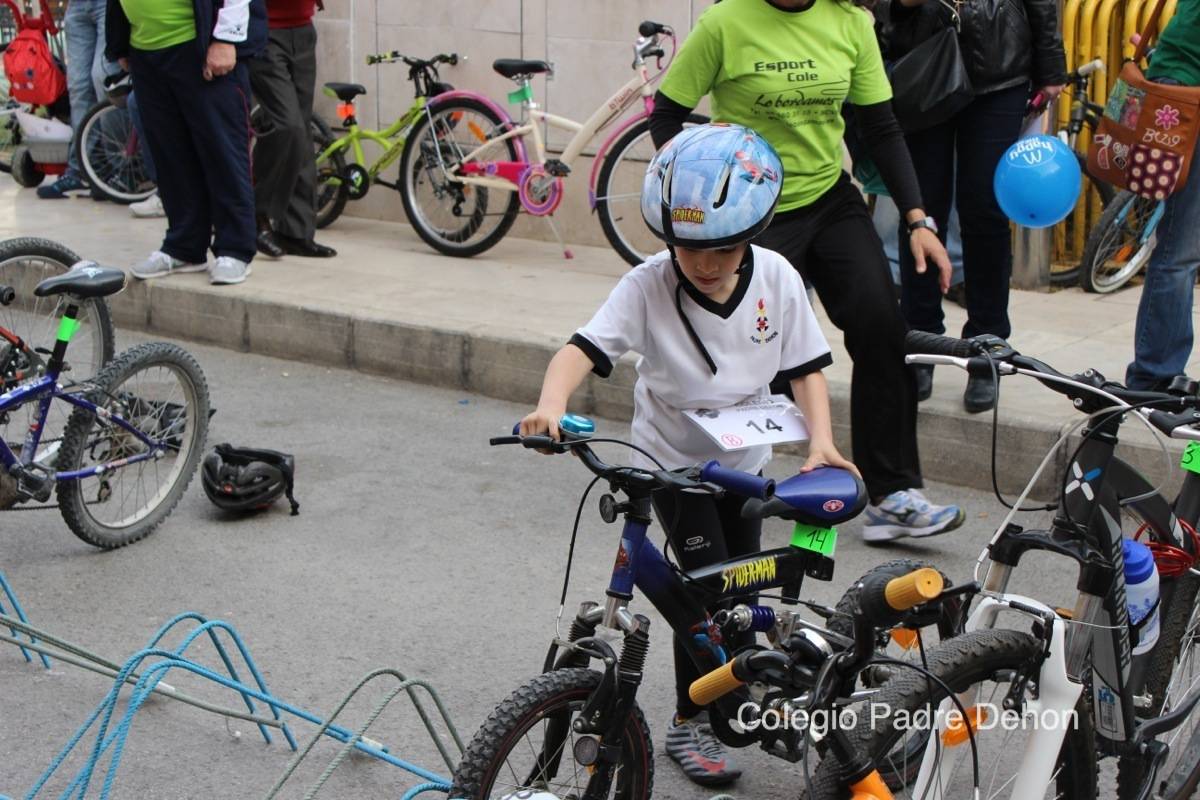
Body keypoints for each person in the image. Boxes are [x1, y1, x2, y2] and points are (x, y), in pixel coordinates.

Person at [521, 124, 856, 789]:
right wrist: (550, 404)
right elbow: (582, 349)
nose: (702, 263)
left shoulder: (779, 279)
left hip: (747, 464)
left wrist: (820, 441)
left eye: (721, 249)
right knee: (700, 589)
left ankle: (749, 684)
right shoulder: (648, 285)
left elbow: (808, 369)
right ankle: (690, 721)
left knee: (744, 592)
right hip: (670, 465)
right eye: (686, 248)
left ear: (752, 232)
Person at [649, 0, 965, 560]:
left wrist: (917, 219)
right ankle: (732, 476)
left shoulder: (848, 23)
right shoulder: (727, 23)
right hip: (749, 212)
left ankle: (892, 493)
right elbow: (667, 114)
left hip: (827, 197)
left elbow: (881, 126)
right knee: (752, 346)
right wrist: (701, 196)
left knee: (879, 323)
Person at [879, 0, 1066, 411]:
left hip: (1000, 63)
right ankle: (921, 339)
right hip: (922, 55)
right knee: (921, 214)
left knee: (986, 210)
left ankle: (988, 346)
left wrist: (1051, 64)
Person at [105, 0, 266, 285]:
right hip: (146, 48)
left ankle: (235, 249)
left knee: (222, 152)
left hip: (199, 43)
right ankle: (185, 247)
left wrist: (225, 38)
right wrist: (119, 41)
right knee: (170, 156)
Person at [1125, 0, 1200, 391]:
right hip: (1190, 97)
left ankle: (1156, 374)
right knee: (1179, 251)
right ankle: (1153, 378)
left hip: (1182, 86)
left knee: (1179, 251)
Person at [250, 0, 335, 258]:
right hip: (265, 32)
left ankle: (294, 233)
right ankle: (255, 216)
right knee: (288, 126)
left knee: (302, 133)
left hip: (303, 29)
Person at [38, 0, 117, 199]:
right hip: (77, 7)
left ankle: (118, 169)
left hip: (108, 5)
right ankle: (80, 170)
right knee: (79, 87)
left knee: (103, 78)